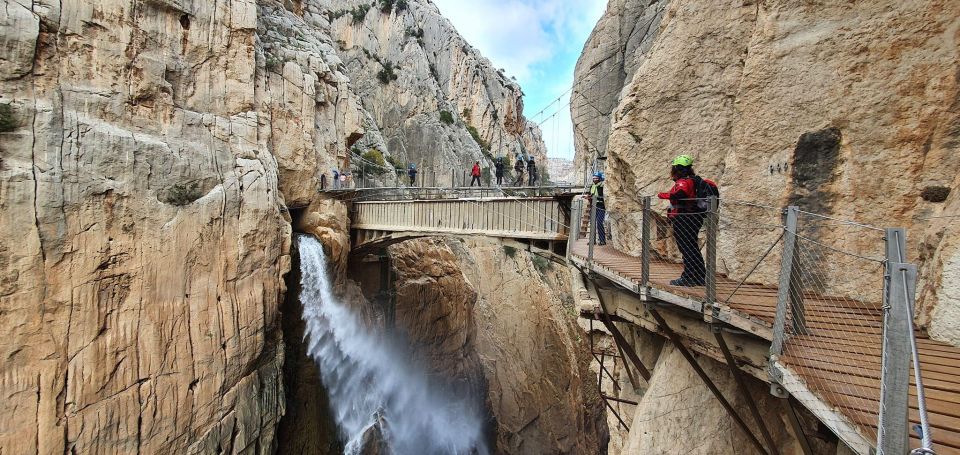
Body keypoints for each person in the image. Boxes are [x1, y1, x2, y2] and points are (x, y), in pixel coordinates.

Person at [657, 154, 717, 287]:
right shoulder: (694, 180)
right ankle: (699, 277)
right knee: (692, 247)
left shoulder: (684, 181)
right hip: (694, 218)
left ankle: (689, 277)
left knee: (686, 248)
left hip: (684, 218)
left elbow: (680, 194)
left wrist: (663, 195)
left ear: (677, 169)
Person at [589, 172, 606, 245]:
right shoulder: (592, 186)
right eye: (594, 178)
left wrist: (596, 198)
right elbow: (591, 195)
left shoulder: (602, 186)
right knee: (592, 223)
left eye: (596, 178)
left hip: (601, 206)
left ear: (600, 178)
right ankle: (592, 240)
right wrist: (589, 197)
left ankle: (602, 240)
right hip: (593, 206)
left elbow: (604, 196)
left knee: (599, 222)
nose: (594, 179)